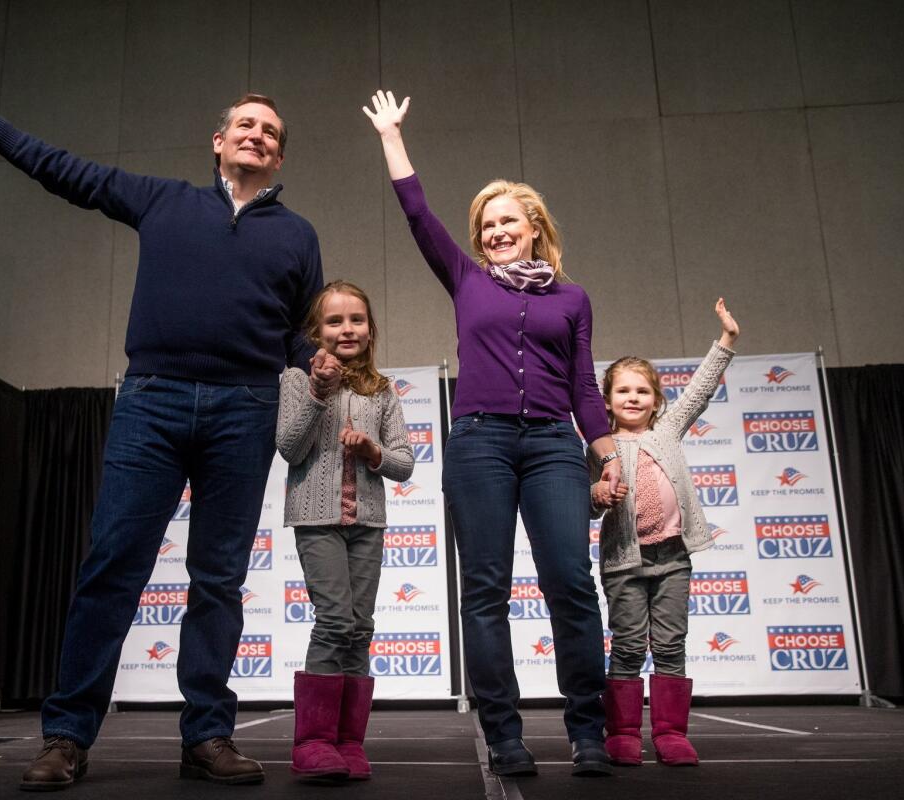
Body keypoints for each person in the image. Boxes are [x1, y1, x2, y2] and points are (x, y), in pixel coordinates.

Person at [0, 72, 324, 790]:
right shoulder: (163, 200)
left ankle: (206, 735)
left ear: (278, 158)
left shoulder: (299, 236)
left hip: (244, 411)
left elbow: (300, 337)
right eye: (245, 125)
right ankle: (67, 736)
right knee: (112, 567)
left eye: (269, 133)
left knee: (218, 581)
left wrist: (322, 363)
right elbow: (69, 174)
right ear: (218, 142)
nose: (257, 135)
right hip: (153, 402)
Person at [363, 90, 621, 778]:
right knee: (485, 591)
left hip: (552, 448)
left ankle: (586, 730)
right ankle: (503, 735)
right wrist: (392, 136)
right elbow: (417, 213)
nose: (495, 231)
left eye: (508, 220)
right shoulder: (466, 279)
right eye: (486, 224)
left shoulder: (573, 299)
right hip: (478, 443)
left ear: (535, 225)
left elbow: (583, 389)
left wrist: (607, 456)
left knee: (570, 581)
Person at [590, 299, 739, 767]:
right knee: (629, 645)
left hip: (674, 557)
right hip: (624, 562)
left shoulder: (668, 431)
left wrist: (726, 341)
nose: (633, 399)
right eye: (623, 392)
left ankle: (671, 733)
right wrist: (598, 493)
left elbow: (697, 391)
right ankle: (624, 732)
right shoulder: (599, 445)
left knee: (671, 644)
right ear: (607, 399)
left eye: (642, 392)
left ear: (657, 400)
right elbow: (583, 502)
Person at [276, 280, 414, 782]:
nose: (346, 329)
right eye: (334, 321)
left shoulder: (382, 392)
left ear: (370, 329)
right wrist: (319, 390)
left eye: (356, 319)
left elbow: (403, 463)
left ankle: (349, 742)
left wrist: (373, 452)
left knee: (361, 628)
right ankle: (311, 742)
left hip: (367, 524)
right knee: (334, 621)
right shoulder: (296, 380)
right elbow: (290, 447)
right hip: (318, 522)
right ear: (316, 332)